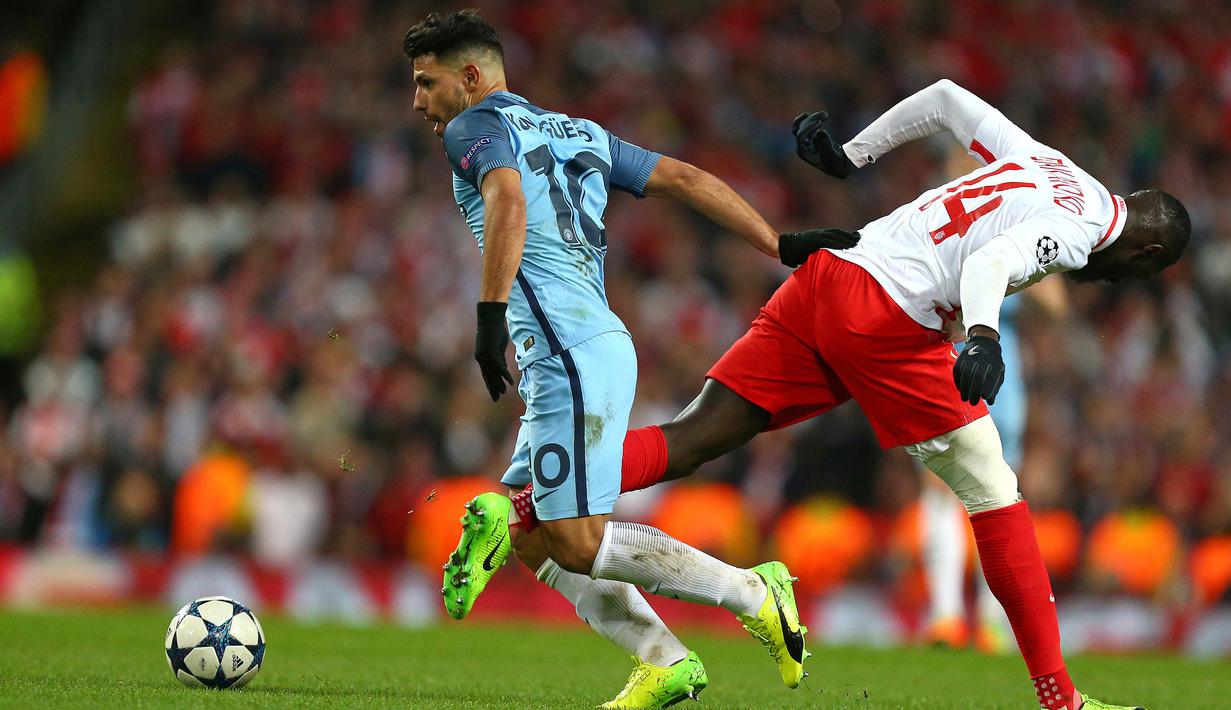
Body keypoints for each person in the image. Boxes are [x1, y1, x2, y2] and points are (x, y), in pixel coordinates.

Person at [495, 79, 1190, 710]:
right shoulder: (1077, 234)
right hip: (890, 318)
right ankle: (1060, 699)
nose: (1120, 283)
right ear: (1147, 257)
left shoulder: (1051, 163)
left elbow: (947, 99)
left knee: (692, 438)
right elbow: (989, 261)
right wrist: (981, 334)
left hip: (831, 274)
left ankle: (520, 503)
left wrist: (853, 154)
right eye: (1135, 277)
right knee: (993, 491)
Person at [403, 10, 858, 709]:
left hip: (567, 351)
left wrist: (490, 314)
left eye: (426, 82)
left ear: (470, 78)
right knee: (532, 541)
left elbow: (507, 199)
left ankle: (750, 589)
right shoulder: (579, 131)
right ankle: (663, 660)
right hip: (590, 344)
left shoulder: (473, 127)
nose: (418, 101)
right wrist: (777, 243)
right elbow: (681, 176)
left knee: (576, 541)